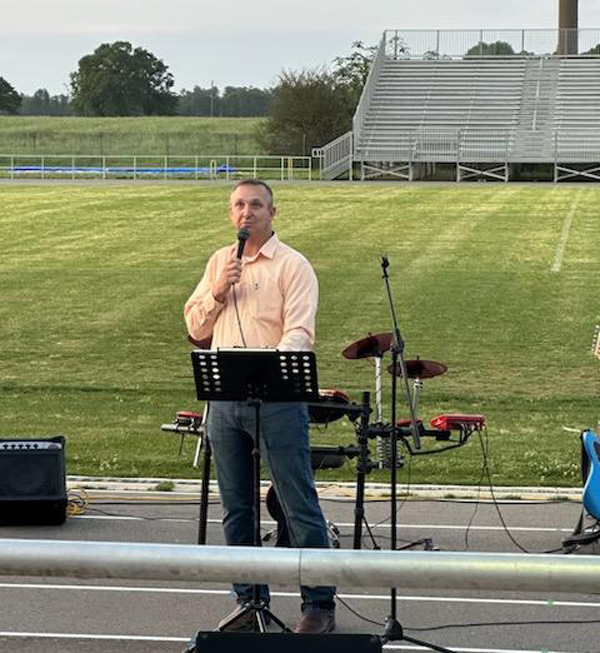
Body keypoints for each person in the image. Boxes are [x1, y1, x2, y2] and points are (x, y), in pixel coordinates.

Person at [183, 179, 336, 635]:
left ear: (272, 212)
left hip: (277, 401)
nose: (246, 213)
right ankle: (249, 600)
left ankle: (319, 604)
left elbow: (299, 332)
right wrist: (217, 292)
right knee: (236, 507)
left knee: (296, 502)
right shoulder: (219, 262)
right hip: (225, 401)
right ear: (230, 213)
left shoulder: (293, 265)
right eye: (238, 205)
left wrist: (268, 369)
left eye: (255, 205)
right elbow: (196, 330)